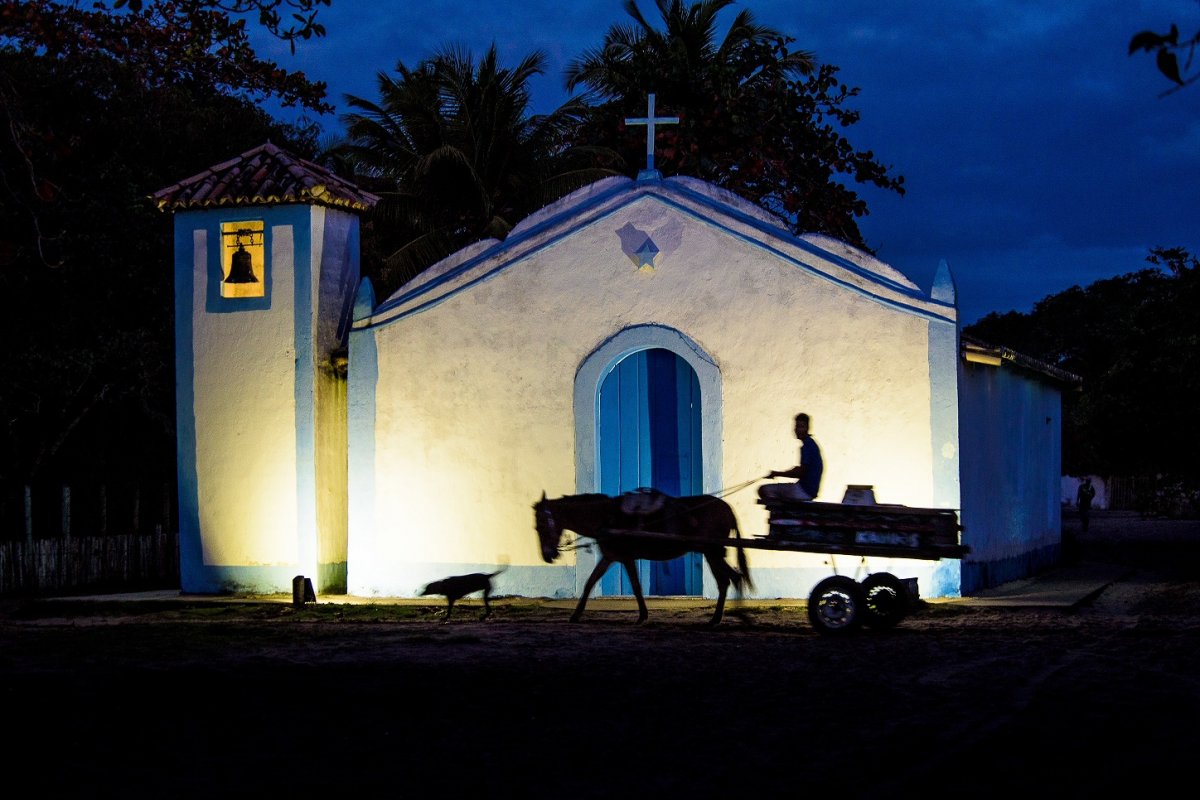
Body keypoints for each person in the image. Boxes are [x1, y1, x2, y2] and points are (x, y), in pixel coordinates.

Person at [759, 412, 823, 502]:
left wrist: (777, 473)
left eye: (801, 427)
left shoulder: (806, 446)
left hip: (803, 491)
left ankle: (781, 513)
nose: (797, 430)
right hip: (809, 491)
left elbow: (800, 473)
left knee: (763, 490)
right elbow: (803, 469)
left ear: (807, 428)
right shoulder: (812, 444)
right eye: (797, 426)